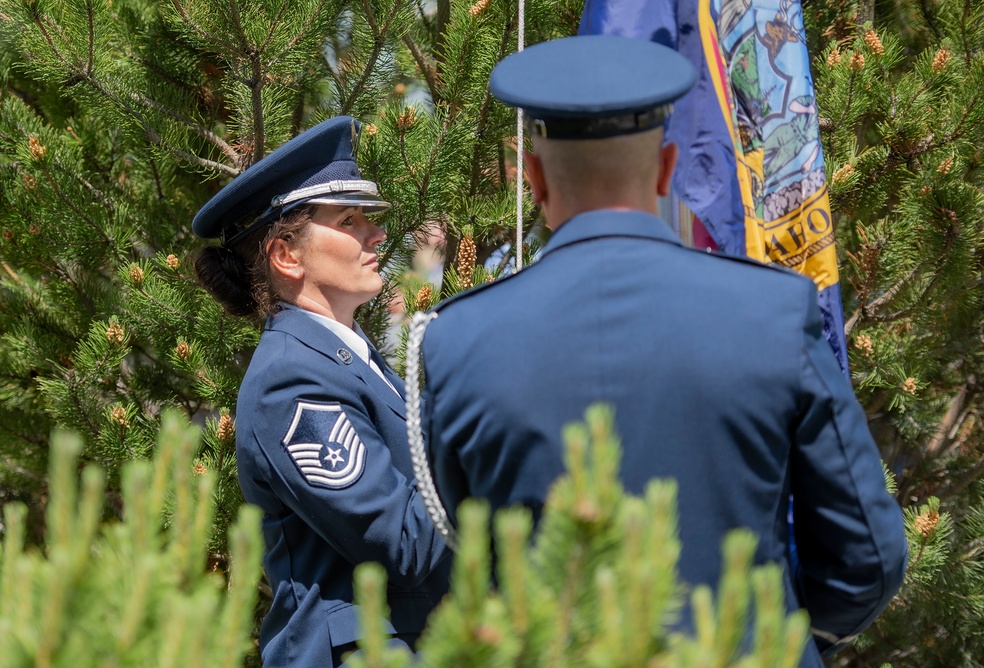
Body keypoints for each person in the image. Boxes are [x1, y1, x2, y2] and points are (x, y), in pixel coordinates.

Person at [415, 35, 907, 665]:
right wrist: (772, 637)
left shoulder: (459, 339)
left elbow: (468, 555)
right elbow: (867, 550)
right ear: (668, 167)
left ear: (534, 178)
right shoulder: (772, 313)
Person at [192, 116, 451, 668]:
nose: (376, 234)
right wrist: (485, 415)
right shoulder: (292, 382)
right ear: (287, 255)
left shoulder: (347, 360)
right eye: (350, 220)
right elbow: (402, 540)